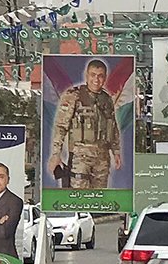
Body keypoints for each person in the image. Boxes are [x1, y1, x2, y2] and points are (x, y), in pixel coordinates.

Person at [49, 59, 123, 190]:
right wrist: (56, 154)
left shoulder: (107, 99)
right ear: (86, 75)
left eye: (100, 76)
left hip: (102, 159)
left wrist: (116, 151)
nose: (96, 79)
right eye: (93, 75)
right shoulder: (74, 95)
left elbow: (113, 127)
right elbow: (61, 127)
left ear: (105, 77)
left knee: (99, 197)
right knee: (80, 196)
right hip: (80, 158)